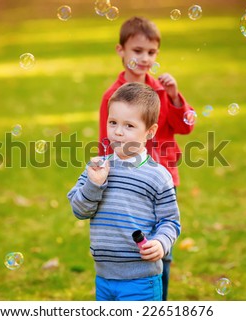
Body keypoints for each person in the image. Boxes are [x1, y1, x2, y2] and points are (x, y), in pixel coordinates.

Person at [98, 16, 195, 300]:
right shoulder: (112, 95)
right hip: (127, 183)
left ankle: (158, 304)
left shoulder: (163, 91)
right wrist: (104, 171)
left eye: (151, 52)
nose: (144, 58)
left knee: (162, 250)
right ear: (121, 51)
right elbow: (107, 139)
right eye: (137, 51)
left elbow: (185, 126)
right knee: (134, 248)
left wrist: (176, 97)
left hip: (161, 177)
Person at [68, 82, 180, 301]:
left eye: (129, 126)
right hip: (104, 277)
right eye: (113, 122)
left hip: (141, 280)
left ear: (150, 132)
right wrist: (94, 184)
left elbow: (170, 222)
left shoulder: (158, 176)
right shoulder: (98, 167)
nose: (118, 132)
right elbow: (79, 210)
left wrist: (160, 243)